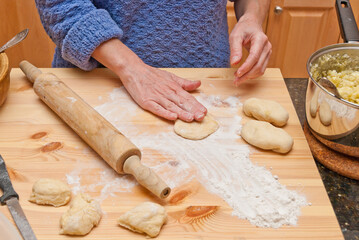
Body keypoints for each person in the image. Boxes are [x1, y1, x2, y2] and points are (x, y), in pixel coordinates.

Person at [35, 0, 271, 122]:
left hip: (207, 89)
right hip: (100, 85)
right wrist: (132, 69)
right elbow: (60, 4)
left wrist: (252, 17)